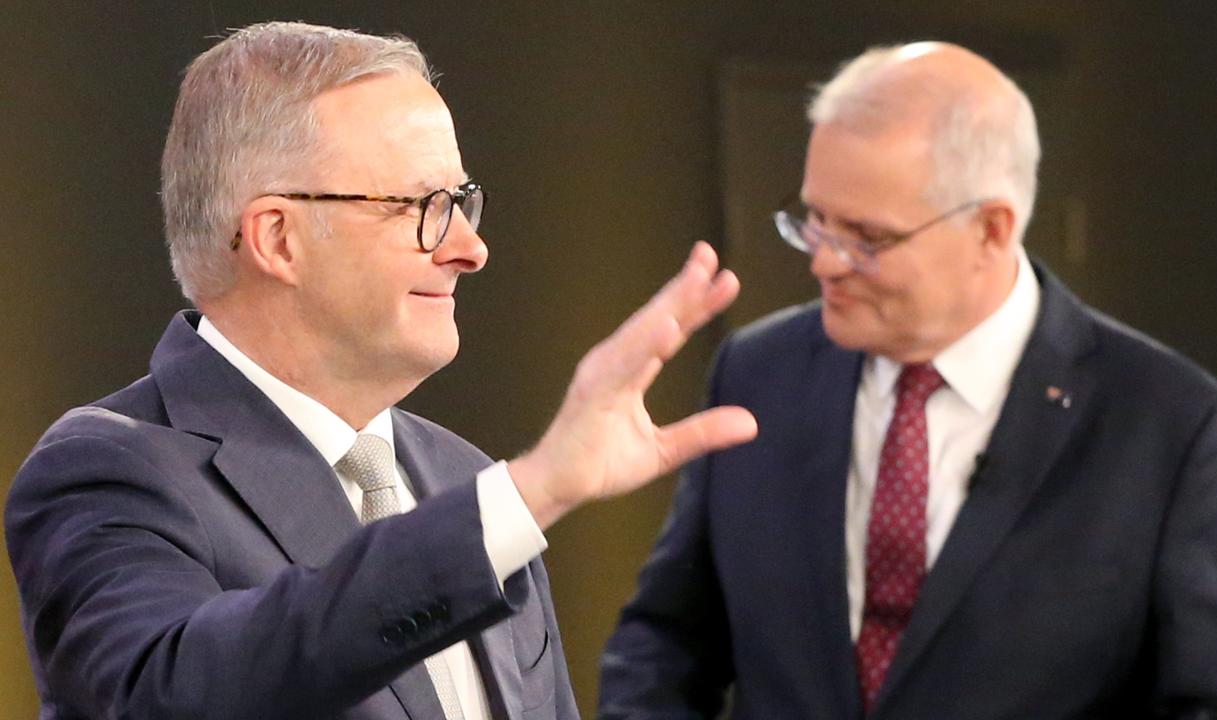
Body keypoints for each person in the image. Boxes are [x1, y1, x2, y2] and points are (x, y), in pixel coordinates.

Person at [4, 22, 757, 720]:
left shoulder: (461, 478)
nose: (469, 247)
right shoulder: (110, 468)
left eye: (462, 202)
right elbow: (171, 692)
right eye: (423, 205)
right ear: (278, 238)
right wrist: (535, 489)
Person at [599, 41, 1217, 719]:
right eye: (815, 220)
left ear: (990, 229)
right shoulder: (758, 372)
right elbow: (664, 643)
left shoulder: (1171, 426)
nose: (824, 263)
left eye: (866, 236)